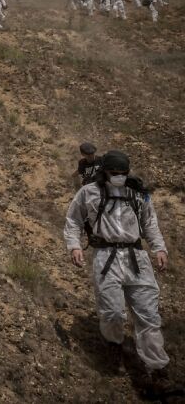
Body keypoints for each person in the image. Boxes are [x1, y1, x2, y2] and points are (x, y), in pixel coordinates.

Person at [63, 151, 171, 386]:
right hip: (106, 257)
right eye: (115, 173)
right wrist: (74, 246)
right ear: (105, 172)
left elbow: (150, 223)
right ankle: (114, 344)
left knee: (148, 314)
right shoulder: (89, 193)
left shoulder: (137, 194)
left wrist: (159, 249)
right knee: (112, 311)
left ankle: (157, 366)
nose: (119, 177)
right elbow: (73, 220)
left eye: (123, 174)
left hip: (136, 258)